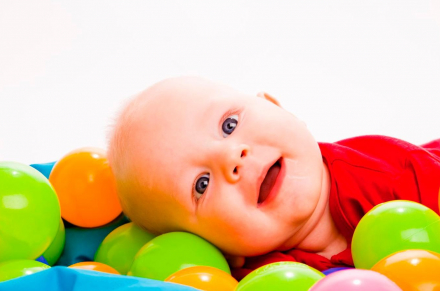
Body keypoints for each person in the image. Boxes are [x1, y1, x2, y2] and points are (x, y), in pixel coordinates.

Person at [107, 76, 440, 280]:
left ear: (280, 108)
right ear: (214, 247)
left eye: (229, 125)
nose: (231, 159)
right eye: (201, 185)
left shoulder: (389, 172)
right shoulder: (261, 284)